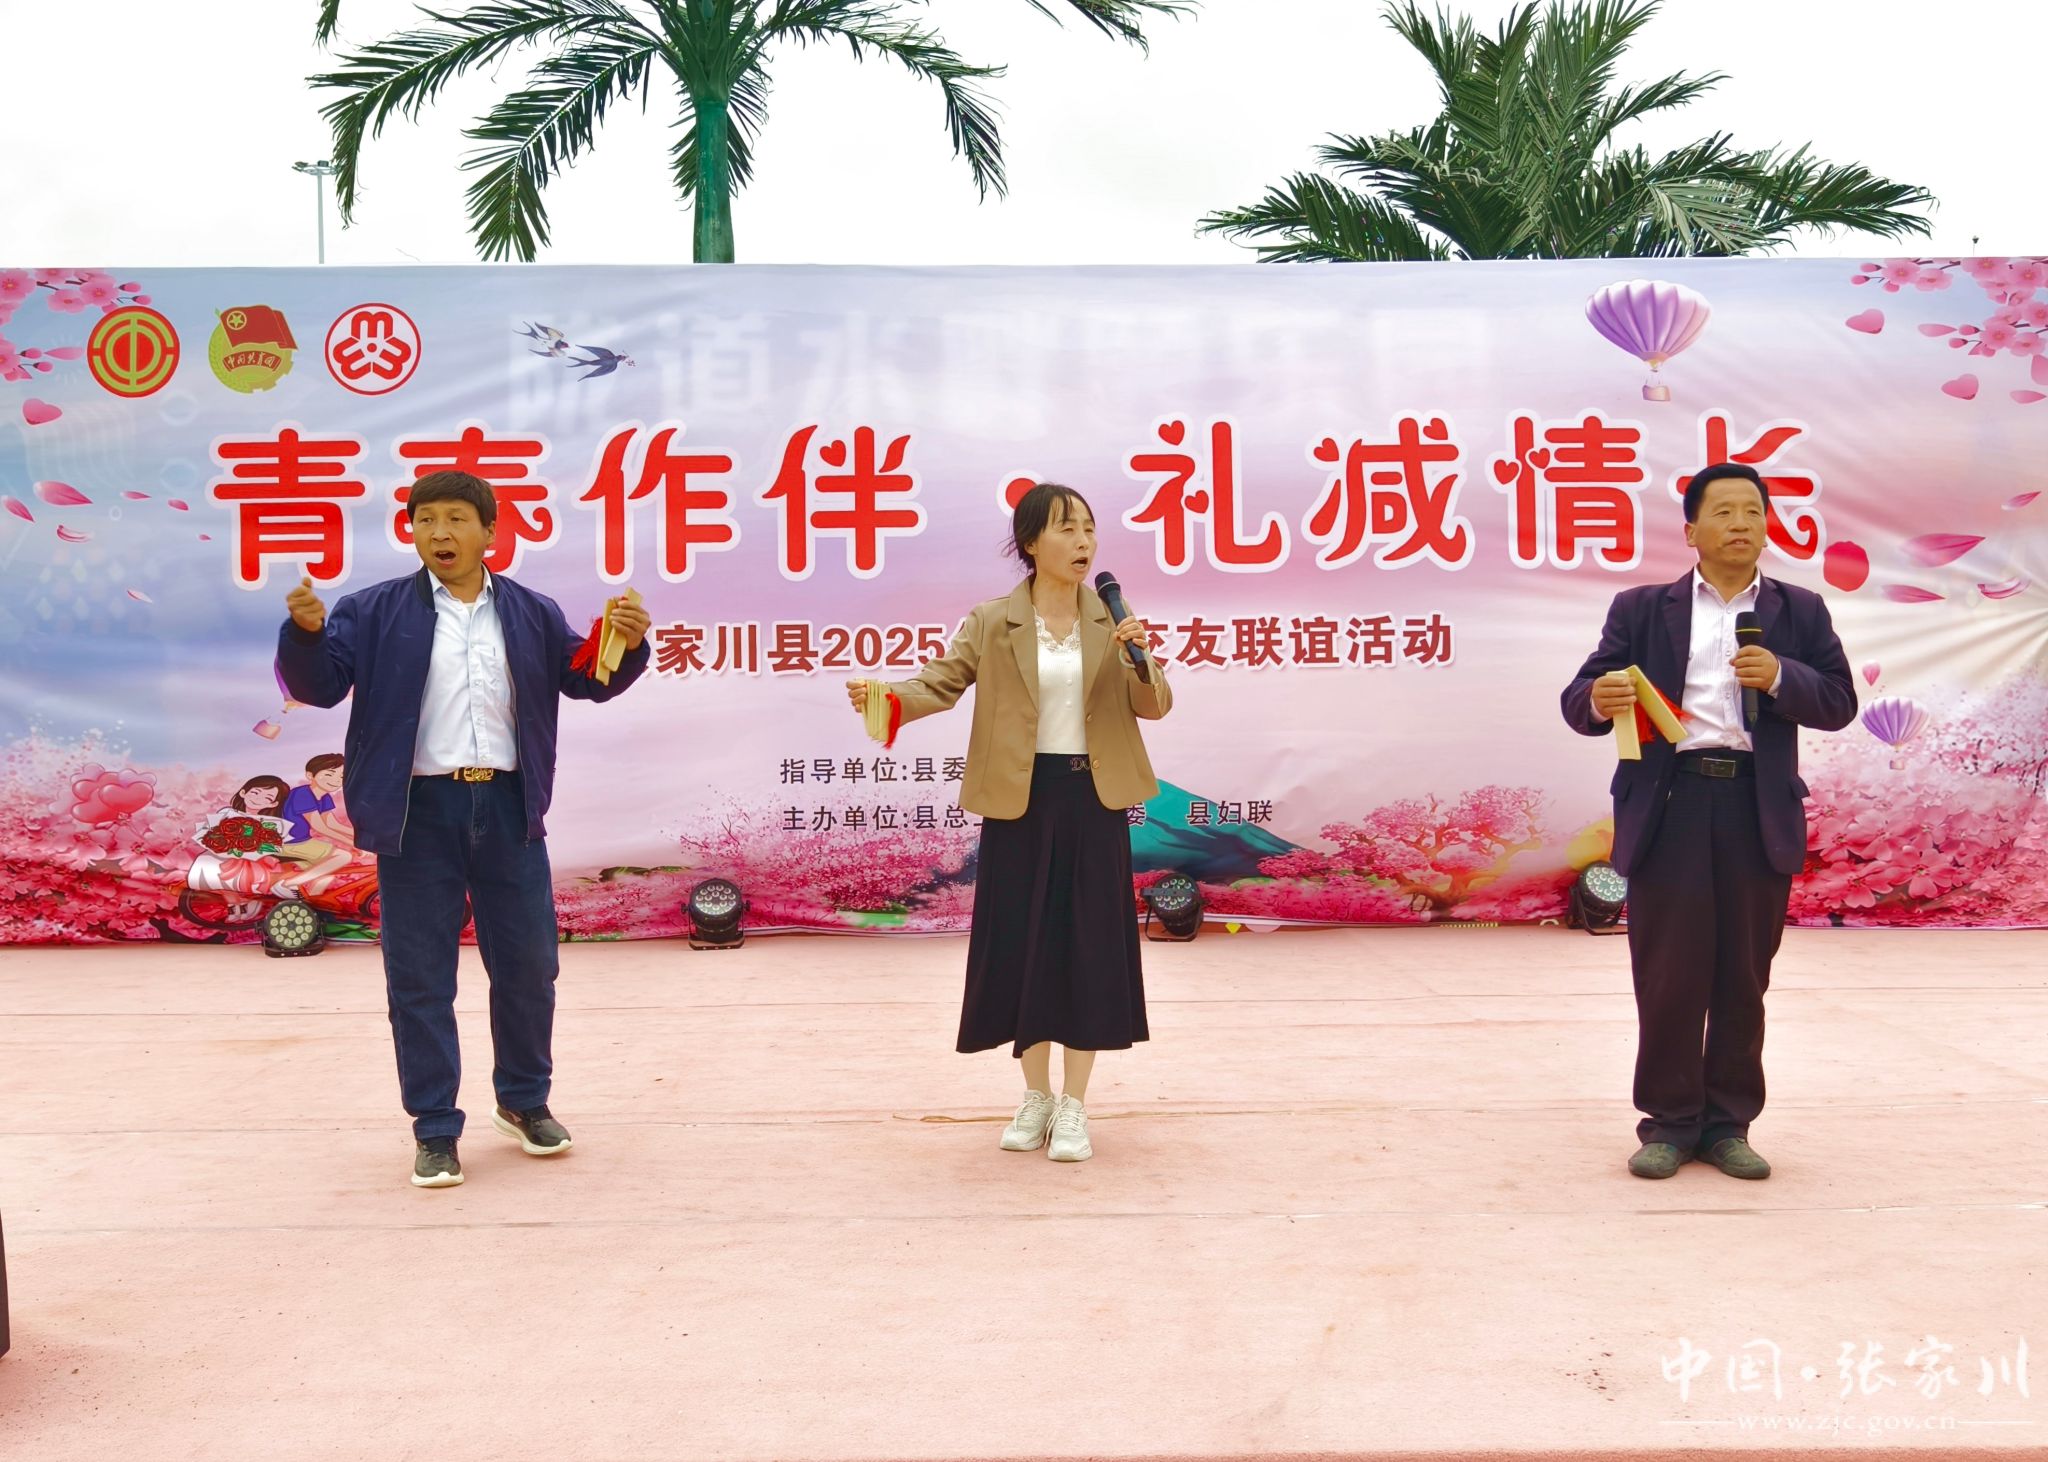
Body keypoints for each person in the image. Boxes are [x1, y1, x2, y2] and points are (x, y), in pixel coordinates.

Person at [277, 469, 653, 1189]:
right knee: (419, 977)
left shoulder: (531, 612)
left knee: (529, 967)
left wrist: (627, 644)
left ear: (489, 531)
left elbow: (588, 678)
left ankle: (524, 1101)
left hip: (509, 808)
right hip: (417, 814)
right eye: (425, 520)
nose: (438, 533)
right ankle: (435, 1127)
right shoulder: (372, 610)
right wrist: (305, 635)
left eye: (455, 519)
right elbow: (316, 686)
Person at [847, 482, 1171, 1163]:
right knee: (1024, 947)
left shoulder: (1112, 619)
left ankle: (1075, 1104)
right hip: (1020, 803)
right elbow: (939, 682)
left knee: (1088, 950)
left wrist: (1139, 661)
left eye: (1089, 529)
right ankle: (1036, 1097)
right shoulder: (994, 621)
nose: (1083, 542)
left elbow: (1155, 705)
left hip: (1093, 802)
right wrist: (886, 697)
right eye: (1067, 529)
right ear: (1030, 542)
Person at [1560, 461, 1855, 1181]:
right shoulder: (1641, 609)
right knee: (1669, 974)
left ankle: (1728, 1126)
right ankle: (1668, 1123)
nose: (1741, 524)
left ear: (1766, 527)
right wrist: (1600, 696)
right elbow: (1580, 697)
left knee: (1742, 976)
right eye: (1723, 512)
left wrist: (1781, 677)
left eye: (1753, 511)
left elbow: (1839, 701)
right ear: (1692, 531)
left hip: (1756, 805)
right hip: (1672, 803)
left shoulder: (1800, 611)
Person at [273, 755, 359, 898]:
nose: (336, 780)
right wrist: (355, 844)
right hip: (289, 843)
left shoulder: (325, 797)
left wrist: (362, 836)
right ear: (310, 775)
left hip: (300, 842)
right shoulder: (302, 794)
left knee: (324, 878)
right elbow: (320, 827)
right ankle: (286, 884)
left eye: (342, 776)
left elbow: (332, 824)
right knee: (343, 856)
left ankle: (310, 902)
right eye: (329, 774)